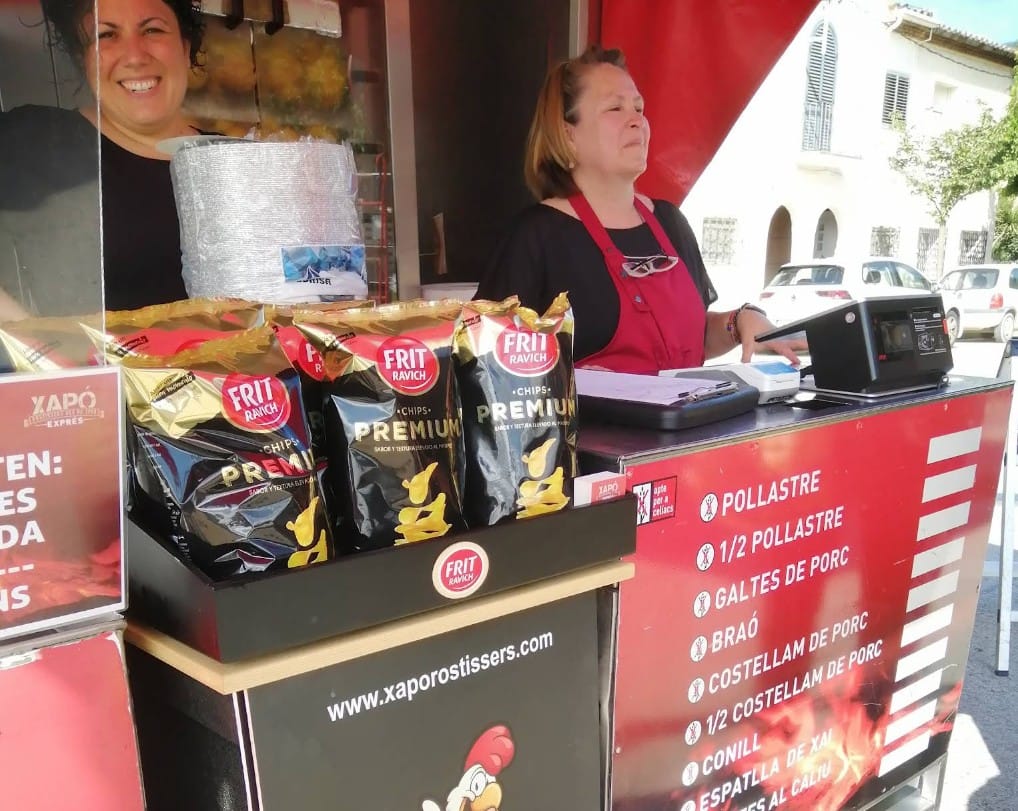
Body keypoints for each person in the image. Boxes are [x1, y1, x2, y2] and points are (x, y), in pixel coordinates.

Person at [476, 45, 805, 373]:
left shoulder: (670, 222)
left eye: (638, 107)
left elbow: (694, 337)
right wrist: (566, 379)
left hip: (687, 420)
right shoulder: (535, 237)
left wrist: (741, 320)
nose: (637, 120)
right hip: (591, 427)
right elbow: (487, 366)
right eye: (615, 109)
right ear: (567, 134)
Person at [0, 0, 204, 318]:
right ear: (83, 59)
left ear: (185, 47)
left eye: (152, 30)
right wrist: (37, 346)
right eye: (106, 35)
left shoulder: (237, 160)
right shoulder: (35, 140)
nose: (135, 56)